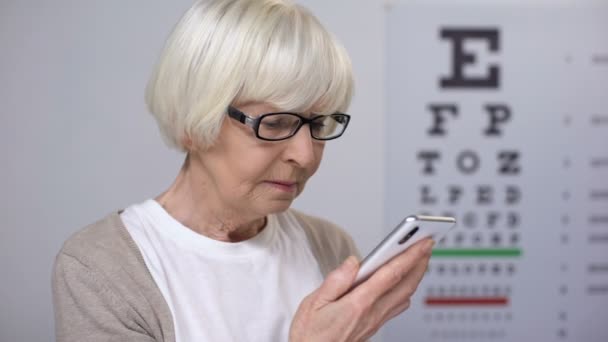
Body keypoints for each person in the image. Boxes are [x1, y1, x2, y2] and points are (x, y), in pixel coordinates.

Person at [52, 0, 435, 341]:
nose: (305, 155)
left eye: (319, 124)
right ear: (193, 120)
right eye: (274, 123)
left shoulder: (329, 247)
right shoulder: (104, 268)